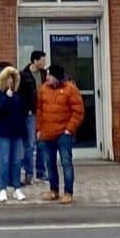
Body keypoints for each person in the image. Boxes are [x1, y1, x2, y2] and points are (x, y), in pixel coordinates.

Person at [34, 70, 83, 203]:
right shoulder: (43, 89)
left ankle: (68, 192)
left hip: (63, 133)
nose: (47, 77)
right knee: (50, 163)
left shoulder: (70, 89)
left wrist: (69, 129)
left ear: (57, 77)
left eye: (50, 75)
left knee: (66, 162)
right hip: (47, 133)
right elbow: (39, 110)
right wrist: (38, 129)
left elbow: (78, 111)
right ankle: (53, 190)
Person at [0, 63, 32, 201]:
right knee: (5, 160)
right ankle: (3, 188)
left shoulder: (18, 96)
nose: (10, 81)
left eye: (12, 79)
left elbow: (23, 111)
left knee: (16, 161)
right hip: (3, 133)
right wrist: (7, 98)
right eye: (8, 79)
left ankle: (17, 188)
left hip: (16, 132)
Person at [21, 50, 50, 188]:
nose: (44, 63)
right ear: (35, 61)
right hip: (30, 113)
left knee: (42, 143)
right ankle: (28, 173)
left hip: (43, 112)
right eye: (42, 60)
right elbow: (20, 94)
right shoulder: (24, 75)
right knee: (30, 144)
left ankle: (41, 171)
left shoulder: (44, 74)